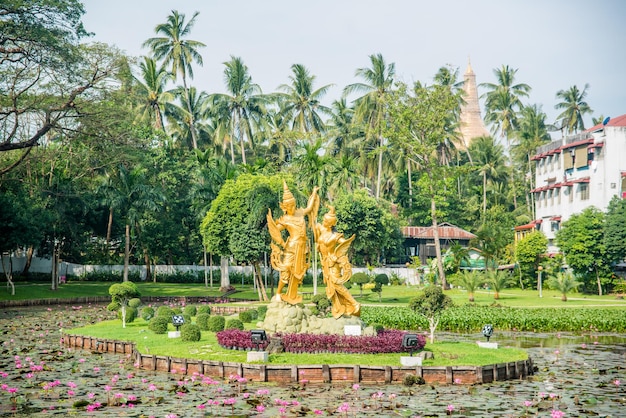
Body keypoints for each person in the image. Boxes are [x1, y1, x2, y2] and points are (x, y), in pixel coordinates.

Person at [267, 182, 318, 304]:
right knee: (285, 272)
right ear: (284, 207)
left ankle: (292, 296)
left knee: (298, 273)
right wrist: (282, 243)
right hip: (290, 248)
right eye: (289, 206)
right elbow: (275, 231)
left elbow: (309, 208)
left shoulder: (300, 212)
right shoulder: (284, 219)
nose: (292, 208)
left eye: (293, 205)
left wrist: (315, 192)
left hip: (302, 248)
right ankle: (279, 293)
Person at [313, 205, 360, 318]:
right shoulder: (321, 230)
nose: (323, 221)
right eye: (323, 219)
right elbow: (315, 226)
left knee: (337, 285)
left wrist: (336, 257)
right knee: (331, 288)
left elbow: (345, 244)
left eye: (325, 220)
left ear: (331, 224)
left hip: (333, 264)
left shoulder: (336, 236)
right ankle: (339, 309)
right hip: (325, 264)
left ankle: (354, 303)